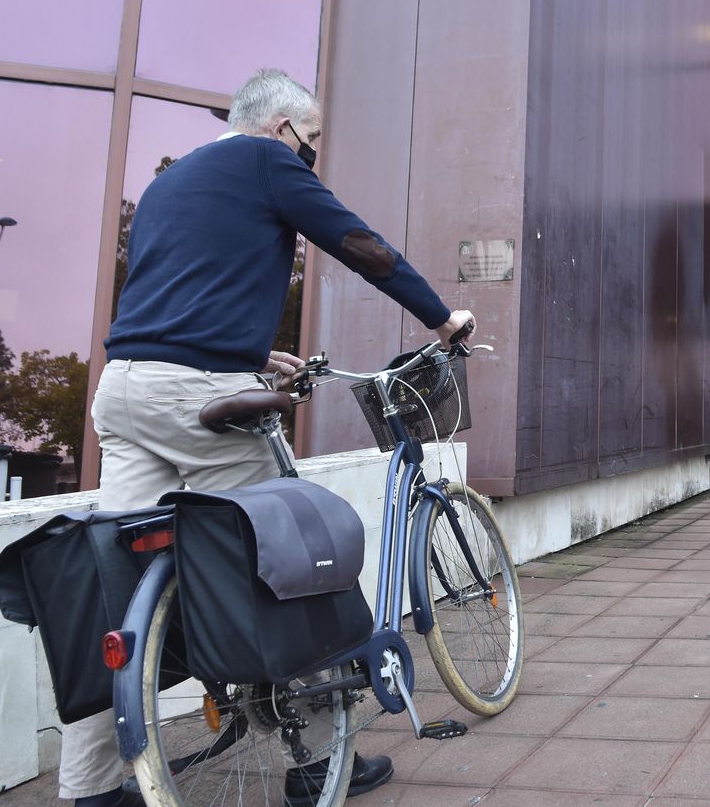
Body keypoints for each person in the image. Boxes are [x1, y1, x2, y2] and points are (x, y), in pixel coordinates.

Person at [60, 69, 474, 807]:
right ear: (283, 127)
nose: (311, 153)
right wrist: (443, 319)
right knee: (287, 565)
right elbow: (358, 244)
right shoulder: (266, 160)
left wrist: (251, 354)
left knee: (114, 592)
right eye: (311, 140)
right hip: (200, 401)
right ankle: (316, 762)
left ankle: (88, 788)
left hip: (125, 392)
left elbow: (177, 296)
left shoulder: (170, 182)